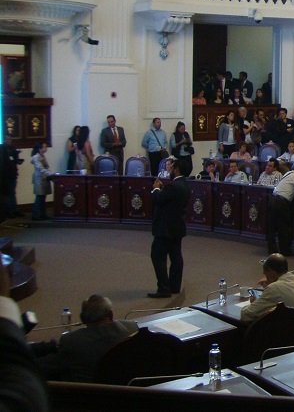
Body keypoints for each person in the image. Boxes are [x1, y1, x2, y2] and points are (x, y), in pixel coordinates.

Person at [35, 294, 139, 382]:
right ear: (111, 314)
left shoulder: (71, 341)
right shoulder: (132, 328)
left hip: (89, 394)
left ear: (83, 319)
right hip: (129, 390)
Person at [240, 254, 294, 343]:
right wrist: (271, 283)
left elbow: (246, 315)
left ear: (271, 272)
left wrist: (254, 302)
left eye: (266, 274)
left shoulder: (274, 288)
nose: (265, 278)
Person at [147, 159, 190, 297]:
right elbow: (169, 200)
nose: (170, 170)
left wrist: (156, 188)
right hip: (178, 227)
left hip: (165, 229)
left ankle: (164, 288)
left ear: (176, 169)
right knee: (176, 257)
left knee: (158, 256)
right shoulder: (185, 184)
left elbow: (159, 199)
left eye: (171, 167)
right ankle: (174, 286)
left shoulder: (173, 186)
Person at [30, 143, 54, 221]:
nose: (46, 148)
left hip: (44, 178)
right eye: (44, 147)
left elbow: (46, 167)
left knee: (43, 198)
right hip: (39, 179)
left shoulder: (43, 156)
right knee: (39, 198)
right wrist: (50, 174)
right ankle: (36, 215)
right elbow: (40, 168)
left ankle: (42, 214)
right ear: (39, 149)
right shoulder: (35, 157)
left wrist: (51, 173)